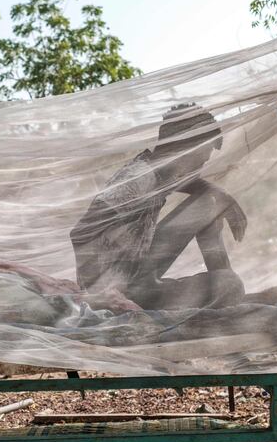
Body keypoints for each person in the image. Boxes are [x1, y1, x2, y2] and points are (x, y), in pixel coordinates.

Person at [70, 103, 246, 311]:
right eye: (199, 161)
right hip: (116, 290)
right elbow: (80, 233)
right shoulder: (137, 180)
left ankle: (223, 290)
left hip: (138, 276)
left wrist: (223, 196)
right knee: (229, 283)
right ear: (183, 149)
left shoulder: (156, 172)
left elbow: (186, 182)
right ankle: (223, 293)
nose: (200, 168)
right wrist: (100, 294)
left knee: (209, 204)